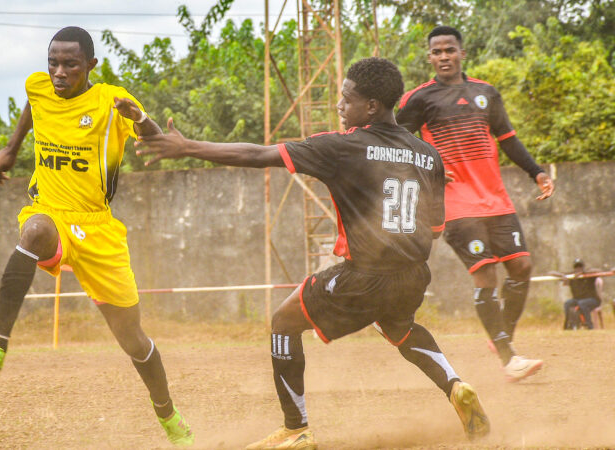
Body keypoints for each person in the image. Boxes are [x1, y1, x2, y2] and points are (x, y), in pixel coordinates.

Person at [137, 57, 490, 449]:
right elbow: (436, 229)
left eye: (346, 98)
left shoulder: (344, 146)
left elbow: (258, 155)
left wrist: (187, 146)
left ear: (371, 106)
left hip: (365, 274)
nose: (340, 105)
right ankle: (455, 385)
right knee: (399, 327)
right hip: (413, 274)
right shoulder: (429, 156)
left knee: (284, 321)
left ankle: (296, 428)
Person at [0, 27, 193, 446]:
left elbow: (155, 137)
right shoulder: (38, 86)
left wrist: (141, 119)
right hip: (50, 212)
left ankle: (168, 415)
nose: (58, 72)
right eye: (53, 62)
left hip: (98, 228)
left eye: (70, 64)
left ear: (91, 65)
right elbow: (34, 107)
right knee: (33, 231)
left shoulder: (111, 100)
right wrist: (13, 148)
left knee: (133, 339)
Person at [396, 25, 555, 382]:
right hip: (455, 203)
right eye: (436, 52)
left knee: (522, 268)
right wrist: (429, 168)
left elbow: (509, 140)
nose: (443, 57)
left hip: (495, 199)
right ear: (429, 57)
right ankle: (508, 358)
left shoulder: (486, 93)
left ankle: (502, 338)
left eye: (449, 50)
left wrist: (537, 173)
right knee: (485, 274)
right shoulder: (419, 99)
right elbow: (398, 143)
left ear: (462, 53)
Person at [549, 259, 605, 330]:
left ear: (583, 267)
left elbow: (599, 271)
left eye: (580, 267)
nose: (578, 269)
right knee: (568, 303)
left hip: (593, 300)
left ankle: (589, 325)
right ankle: (568, 325)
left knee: (582, 303)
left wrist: (584, 273)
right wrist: (562, 276)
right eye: (576, 267)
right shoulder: (572, 276)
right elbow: (551, 273)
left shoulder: (589, 275)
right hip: (578, 299)